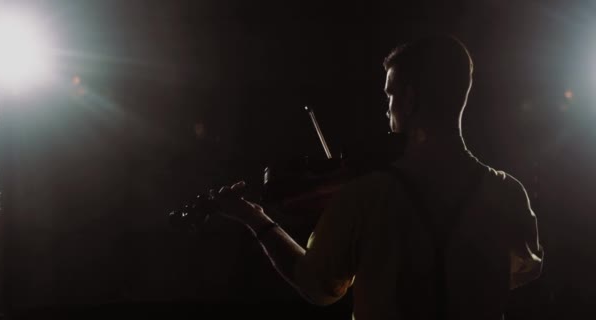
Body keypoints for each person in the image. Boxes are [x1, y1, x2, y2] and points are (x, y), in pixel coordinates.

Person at [215, 34, 543, 320]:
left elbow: (316, 286)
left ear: (411, 98)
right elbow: (521, 271)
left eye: (390, 94)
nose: (387, 108)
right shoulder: (508, 194)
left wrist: (255, 218)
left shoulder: (367, 195)